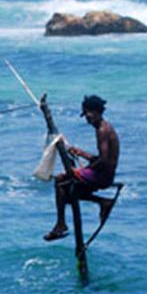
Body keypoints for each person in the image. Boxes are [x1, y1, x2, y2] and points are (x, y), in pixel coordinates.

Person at [44, 94, 120, 241]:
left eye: (88, 114)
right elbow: (103, 158)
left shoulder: (102, 130)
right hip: (105, 174)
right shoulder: (104, 127)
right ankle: (103, 202)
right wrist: (82, 153)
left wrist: (81, 171)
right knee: (66, 194)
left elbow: (104, 161)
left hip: (103, 176)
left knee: (60, 181)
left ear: (97, 112)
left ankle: (61, 224)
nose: (87, 118)